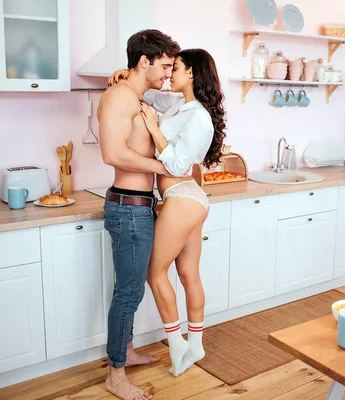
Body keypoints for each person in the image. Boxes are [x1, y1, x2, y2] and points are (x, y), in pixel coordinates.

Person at [108, 48, 227, 377]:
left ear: (191, 74)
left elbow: (176, 164)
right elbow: (146, 94)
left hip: (182, 195)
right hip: (185, 198)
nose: (168, 74)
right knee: (188, 275)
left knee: (154, 272)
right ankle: (196, 345)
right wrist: (124, 73)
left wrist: (156, 132)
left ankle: (177, 344)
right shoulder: (177, 104)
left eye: (175, 68)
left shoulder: (200, 117)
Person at [97, 29, 180, 400]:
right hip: (128, 209)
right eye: (164, 65)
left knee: (131, 290)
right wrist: (164, 168)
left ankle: (125, 352)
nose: (168, 73)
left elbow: (186, 94)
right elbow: (112, 153)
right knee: (129, 293)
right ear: (144, 61)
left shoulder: (137, 95)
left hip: (139, 207)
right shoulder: (119, 97)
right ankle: (115, 376)